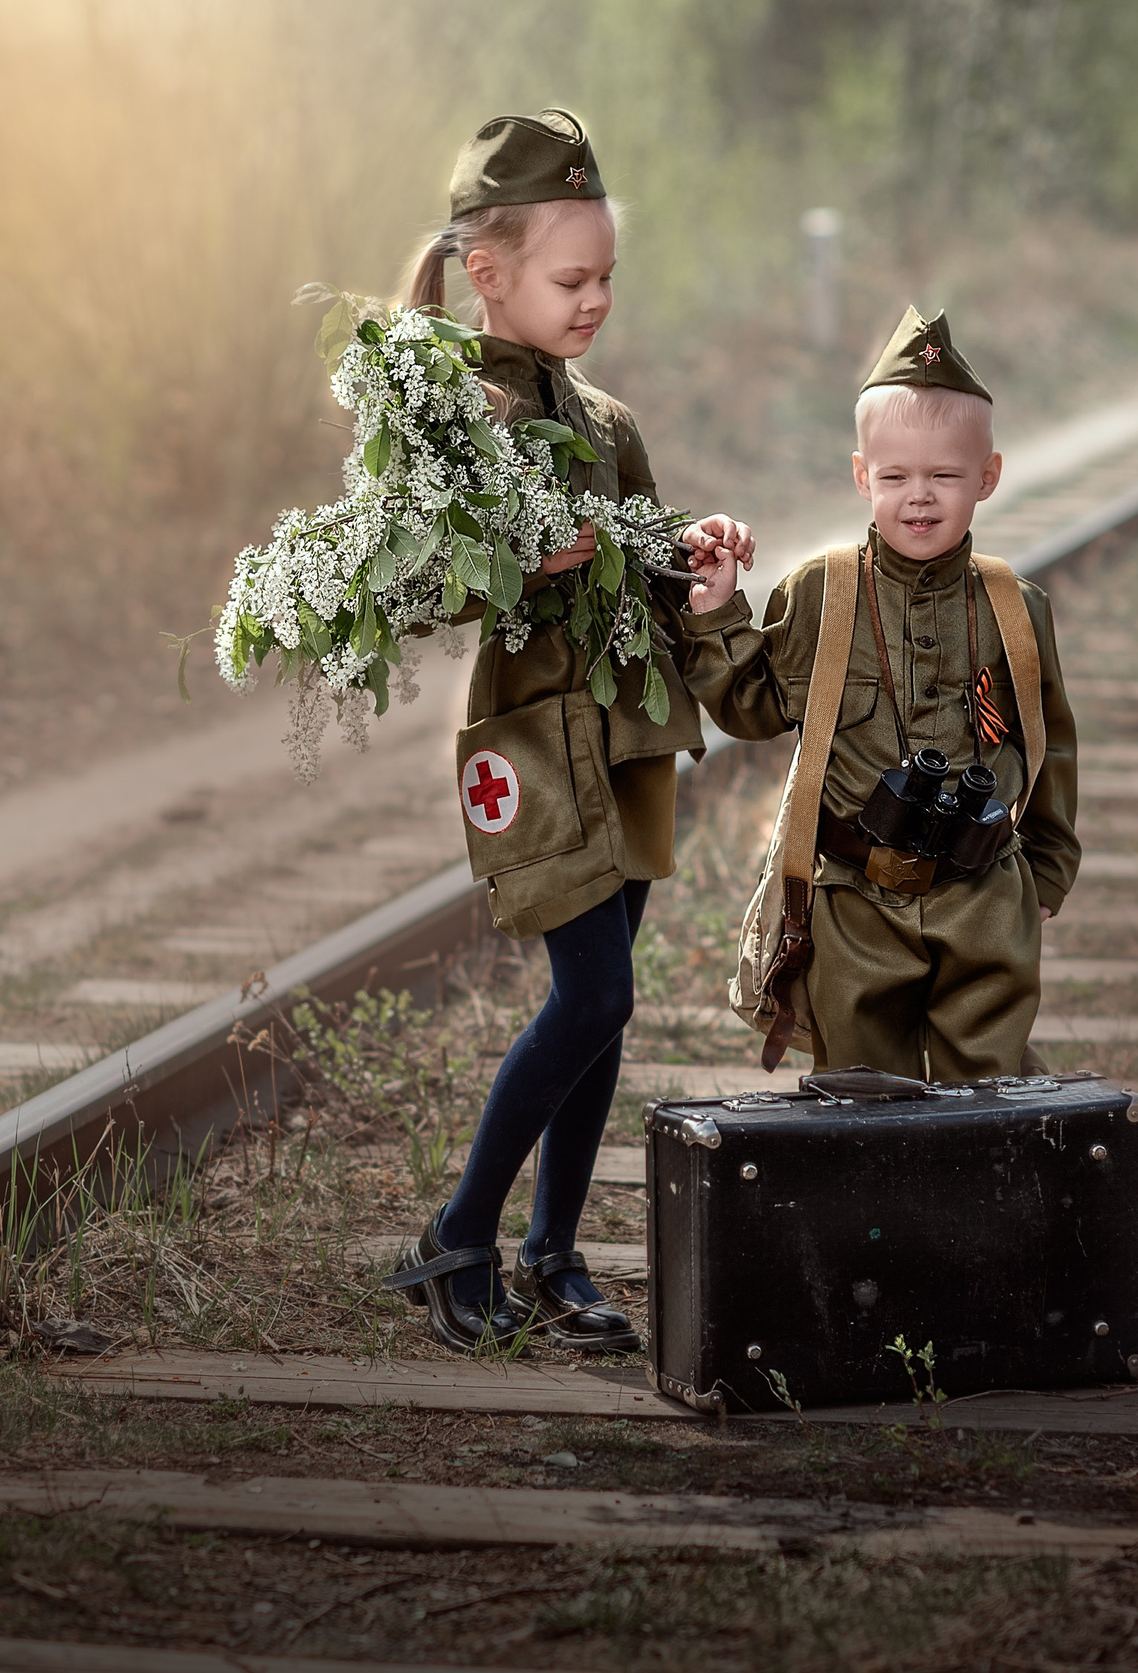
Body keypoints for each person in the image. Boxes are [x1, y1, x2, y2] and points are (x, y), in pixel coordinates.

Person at [381, 109, 754, 1353]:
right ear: (486, 272)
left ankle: (551, 1250)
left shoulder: (602, 418)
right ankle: (462, 1234)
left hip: (631, 730)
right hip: (539, 743)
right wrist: (513, 559)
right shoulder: (446, 415)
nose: (595, 300)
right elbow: (411, 584)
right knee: (592, 991)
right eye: (570, 279)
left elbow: (642, 560)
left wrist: (693, 555)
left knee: (609, 1007)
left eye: (606, 278)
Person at [678, 306, 1080, 1079]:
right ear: (863, 475)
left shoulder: (1014, 609)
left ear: (987, 477)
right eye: (894, 476)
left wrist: (1049, 870)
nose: (918, 497)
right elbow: (753, 706)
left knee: (987, 1087)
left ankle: (984, 1197)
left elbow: (1048, 740)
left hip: (985, 893)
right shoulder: (821, 593)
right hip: (855, 903)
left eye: (945, 476)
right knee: (862, 1091)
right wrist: (716, 612)